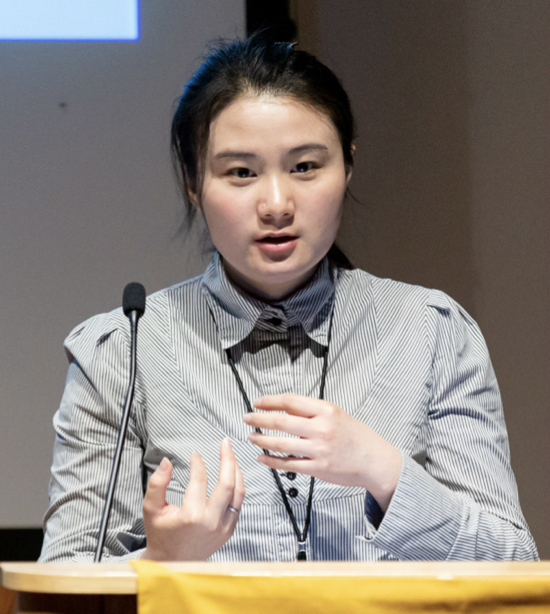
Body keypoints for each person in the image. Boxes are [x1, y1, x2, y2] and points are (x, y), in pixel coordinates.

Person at [40, 36, 538, 563]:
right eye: (241, 173)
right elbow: (63, 581)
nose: (276, 205)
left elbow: (513, 563)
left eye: (304, 167)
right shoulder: (123, 350)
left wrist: (385, 471)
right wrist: (160, 562)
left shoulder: (432, 333)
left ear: (347, 165)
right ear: (192, 182)